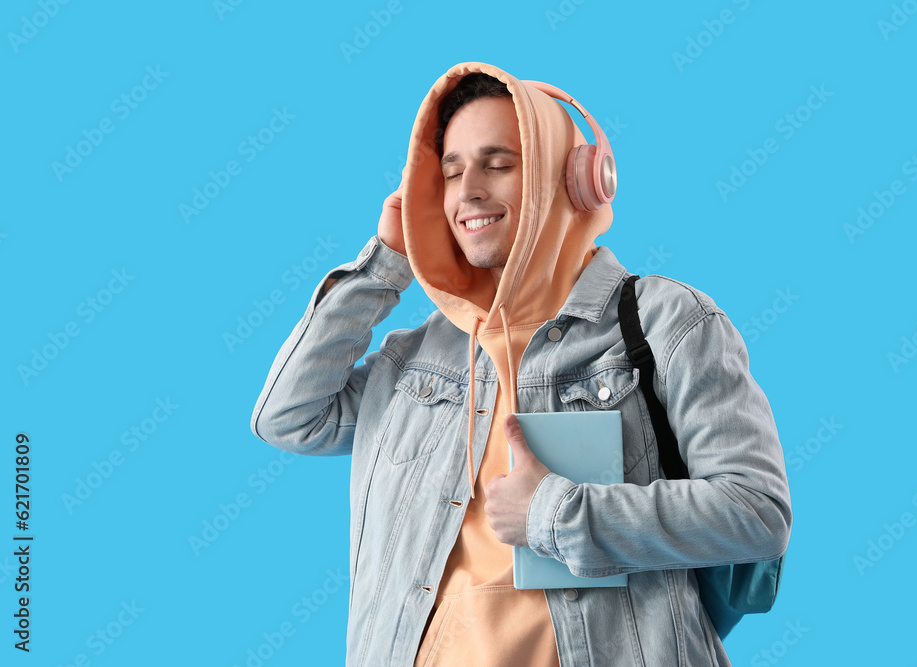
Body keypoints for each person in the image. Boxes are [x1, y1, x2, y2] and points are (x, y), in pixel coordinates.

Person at [250, 62, 792, 666]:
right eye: (450, 173)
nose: (469, 190)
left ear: (574, 181)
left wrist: (555, 513)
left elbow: (755, 511)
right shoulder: (418, 355)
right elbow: (288, 417)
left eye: (498, 164)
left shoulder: (665, 322)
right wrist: (386, 264)